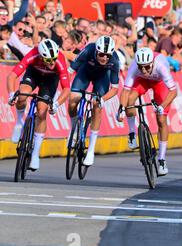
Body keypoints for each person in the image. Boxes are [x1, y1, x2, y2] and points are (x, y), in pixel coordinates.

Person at [6, 39, 70, 170]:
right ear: (40, 56)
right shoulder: (33, 54)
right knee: (22, 96)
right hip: (34, 73)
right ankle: (19, 123)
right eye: (48, 60)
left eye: (54, 59)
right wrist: (12, 94)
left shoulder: (59, 61)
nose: (52, 63)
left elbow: (66, 89)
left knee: (42, 111)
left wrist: (57, 104)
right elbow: (12, 76)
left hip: (50, 80)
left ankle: (35, 154)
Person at [117, 47, 177, 176]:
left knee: (161, 119)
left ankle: (161, 159)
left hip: (159, 83)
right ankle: (132, 133)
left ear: (152, 63)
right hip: (142, 82)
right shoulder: (135, 67)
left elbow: (173, 91)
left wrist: (162, 106)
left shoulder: (161, 66)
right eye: (141, 67)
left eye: (147, 67)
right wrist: (121, 109)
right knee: (130, 100)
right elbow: (126, 91)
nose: (144, 70)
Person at [68, 36, 120, 167]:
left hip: (102, 79)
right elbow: (70, 71)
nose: (105, 58)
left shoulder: (115, 61)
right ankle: (74, 127)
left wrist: (102, 100)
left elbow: (114, 89)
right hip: (84, 73)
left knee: (97, 105)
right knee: (73, 97)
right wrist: (65, 88)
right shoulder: (89, 49)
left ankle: (90, 150)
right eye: (102, 54)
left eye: (108, 55)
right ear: (96, 51)